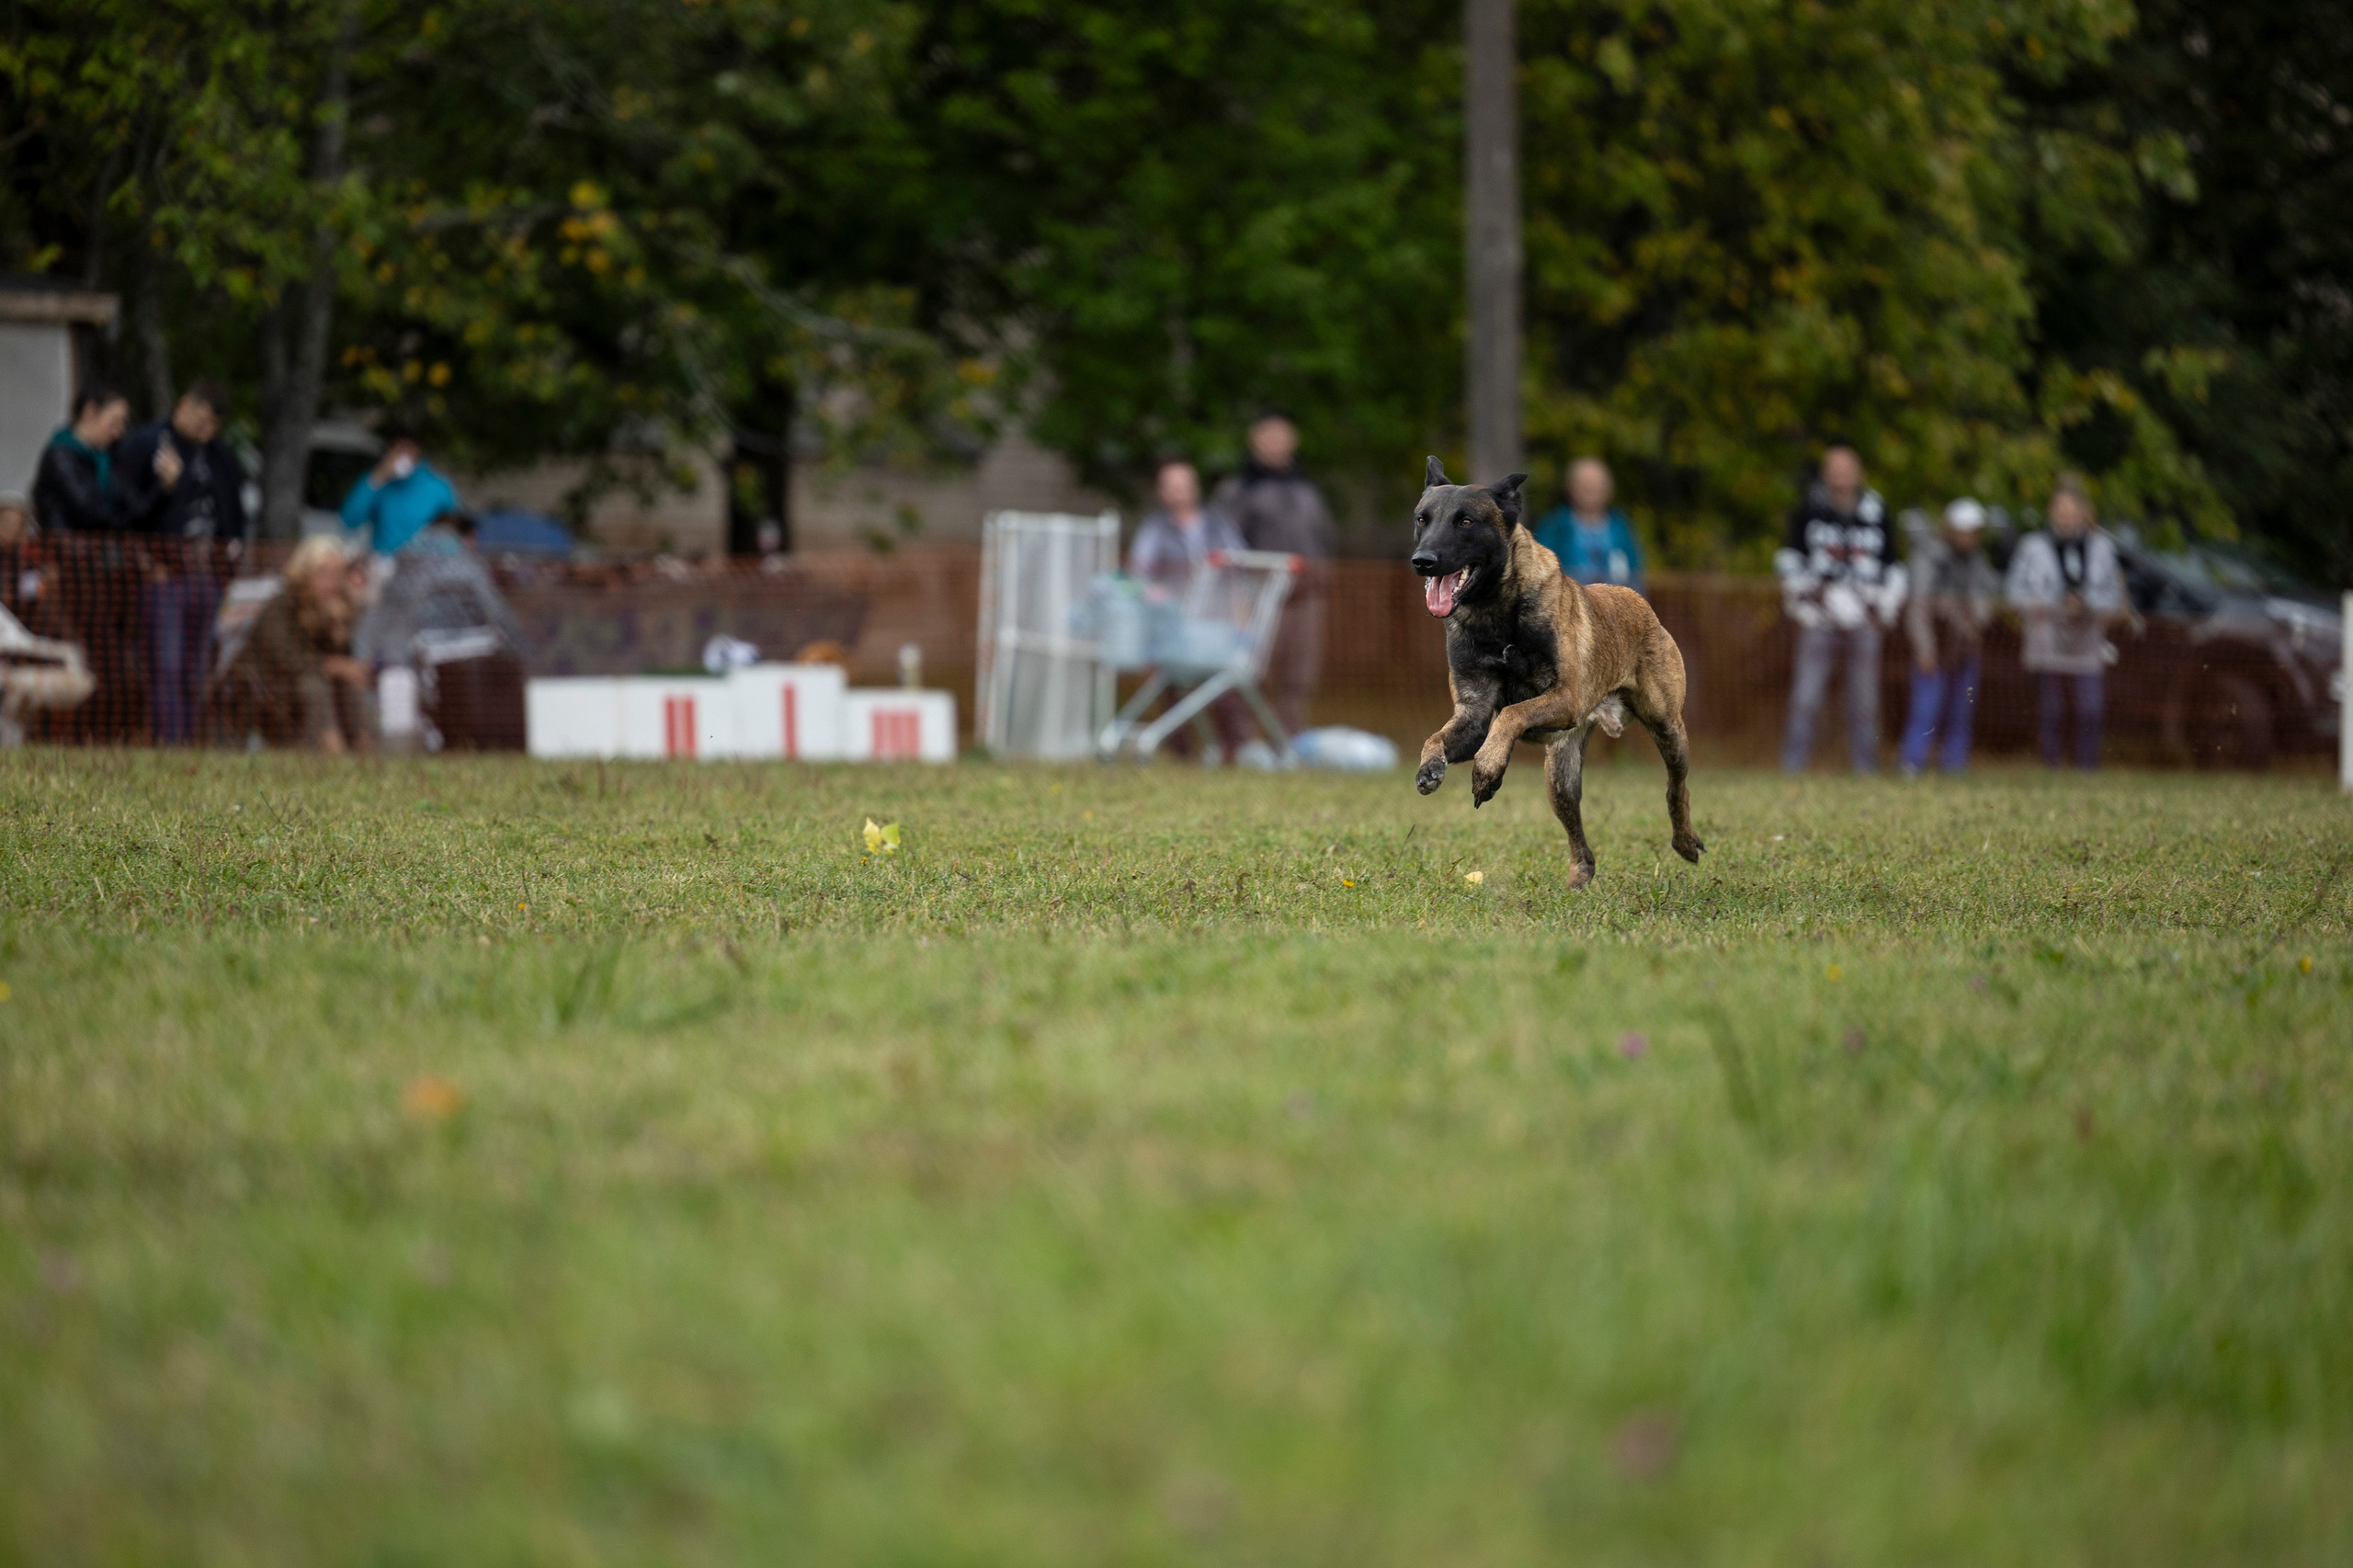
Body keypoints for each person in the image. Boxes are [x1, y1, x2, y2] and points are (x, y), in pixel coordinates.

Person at [119, 381, 248, 745]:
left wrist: (229, 567)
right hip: (164, 576)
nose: (206, 432)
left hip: (208, 576)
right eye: (202, 421)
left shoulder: (220, 456)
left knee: (197, 668)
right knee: (166, 665)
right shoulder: (146, 445)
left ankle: (189, 741)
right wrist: (165, 488)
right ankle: (167, 742)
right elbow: (127, 512)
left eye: (214, 427)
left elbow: (233, 515)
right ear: (184, 406)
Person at [1775, 442, 1906, 773]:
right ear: (1825, 473)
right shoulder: (1808, 510)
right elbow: (1788, 561)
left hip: (1865, 620)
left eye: (1846, 469)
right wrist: (1803, 608)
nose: (1841, 476)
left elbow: (1894, 567)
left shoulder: (1876, 512)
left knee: (1865, 701)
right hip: (1819, 619)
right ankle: (1793, 768)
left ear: (1858, 473)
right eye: (1834, 469)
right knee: (1807, 697)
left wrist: (1884, 611)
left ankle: (1866, 771)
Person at [1212, 413, 1334, 733]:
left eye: (1283, 437)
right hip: (1259, 595)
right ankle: (1242, 741)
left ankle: (1287, 742)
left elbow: (1322, 537)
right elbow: (1227, 545)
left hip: (1306, 596)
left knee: (1300, 675)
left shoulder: (1306, 490)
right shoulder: (1238, 490)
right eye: (1269, 437)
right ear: (1254, 440)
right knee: (1251, 671)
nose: (1277, 444)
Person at [1130, 460, 1249, 759]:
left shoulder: (1217, 525)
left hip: (1216, 624)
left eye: (1184, 486)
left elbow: (1240, 568)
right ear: (1161, 492)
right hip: (1176, 625)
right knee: (1173, 685)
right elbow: (1139, 573)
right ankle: (1181, 752)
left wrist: (1240, 613)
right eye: (1172, 487)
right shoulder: (1155, 530)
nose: (1179, 493)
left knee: (1224, 687)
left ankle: (1232, 750)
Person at [209, 535, 371, 753]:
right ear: (304, 573)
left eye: (336, 573)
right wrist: (336, 665)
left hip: (300, 685)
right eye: (322, 572)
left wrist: (338, 629)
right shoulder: (282, 605)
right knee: (314, 684)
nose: (331, 581)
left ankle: (364, 748)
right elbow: (287, 658)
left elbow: (344, 658)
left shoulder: (335, 608)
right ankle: (331, 749)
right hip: (261, 687)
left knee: (348, 682)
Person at [2006, 475, 2123, 770]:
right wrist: (2046, 605)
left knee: (2090, 708)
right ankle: (2052, 765)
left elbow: (2115, 595)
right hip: (2047, 638)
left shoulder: (2101, 548)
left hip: (2087, 639)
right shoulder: (2032, 546)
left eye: (2071, 510)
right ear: (2051, 511)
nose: (2066, 516)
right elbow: (2013, 593)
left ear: (2083, 511)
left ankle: (2086, 766)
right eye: (2060, 509)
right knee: (2050, 709)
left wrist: (2087, 605)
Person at [1898, 498, 2000, 775]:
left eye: (1973, 531)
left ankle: (1954, 767)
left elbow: (1987, 604)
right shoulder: (1930, 559)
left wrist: (1973, 621)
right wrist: (1924, 649)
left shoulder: (1979, 563)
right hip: (1934, 651)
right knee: (1925, 711)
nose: (1967, 536)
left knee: (1961, 713)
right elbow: (1918, 609)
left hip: (1966, 651)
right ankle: (1912, 764)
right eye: (1962, 530)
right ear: (1950, 529)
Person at [1530, 457, 1645, 592]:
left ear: (1609, 489)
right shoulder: (1553, 527)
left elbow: (1635, 577)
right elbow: (1539, 576)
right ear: (1569, 487)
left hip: (1614, 607)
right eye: (1582, 482)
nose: (1589, 487)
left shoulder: (1621, 527)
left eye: (1596, 482)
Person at [339, 428, 460, 555]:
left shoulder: (439, 488)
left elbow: (455, 533)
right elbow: (349, 521)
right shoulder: (378, 481)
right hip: (384, 562)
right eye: (397, 450)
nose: (402, 455)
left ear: (418, 451)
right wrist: (377, 478)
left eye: (408, 449)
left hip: (423, 563)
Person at [30, 384, 131, 533]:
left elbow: (132, 504)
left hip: (93, 548)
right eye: (115, 421)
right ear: (90, 412)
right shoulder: (60, 455)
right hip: (67, 549)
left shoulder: (107, 456)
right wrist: (122, 520)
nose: (119, 432)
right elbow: (90, 512)